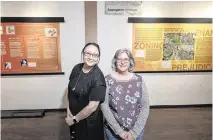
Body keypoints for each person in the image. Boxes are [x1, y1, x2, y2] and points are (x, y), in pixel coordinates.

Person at [101, 48, 150, 140]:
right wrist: (119, 131)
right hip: (113, 132)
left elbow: (145, 107)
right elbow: (104, 106)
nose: (122, 62)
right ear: (115, 61)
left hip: (136, 131)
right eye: (119, 59)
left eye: (125, 59)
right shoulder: (107, 80)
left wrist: (134, 132)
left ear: (130, 61)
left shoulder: (139, 80)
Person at [66, 42, 106, 140]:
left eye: (95, 55)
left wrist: (75, 119)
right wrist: (68, 110)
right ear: (83, 54)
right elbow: (70, 89)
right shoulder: (76, 68)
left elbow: (92, 107)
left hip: (89, 122)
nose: (91, 57)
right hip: (73, 116)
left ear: (98, 58)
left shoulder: (98, 77)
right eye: (88, 53)